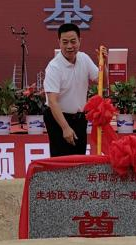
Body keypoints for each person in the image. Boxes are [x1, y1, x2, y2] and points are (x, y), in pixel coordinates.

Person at [42, 23, 99, 157]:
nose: (69, 46)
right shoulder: (54, 67)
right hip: (58, 118)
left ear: (80, 41)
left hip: (79, 118)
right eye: (65, 42)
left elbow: (101, 80)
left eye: (73, 41)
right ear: (59, 42)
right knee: (61, 160)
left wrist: (103, 62)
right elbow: (52, 101)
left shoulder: (84, 58)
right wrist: (65, 128)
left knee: (79, 159)